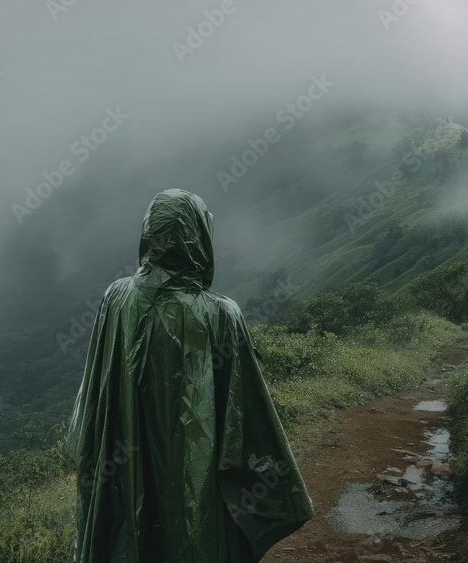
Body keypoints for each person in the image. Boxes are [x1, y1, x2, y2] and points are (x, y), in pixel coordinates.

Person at [67, 189, 314, 562]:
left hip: (121, 468)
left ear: (150, 234)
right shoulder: (221, 315)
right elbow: (246, 419)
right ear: (199, 237)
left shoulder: (115, 300)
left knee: (132, 535)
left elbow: (95, 402)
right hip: (197, 484)